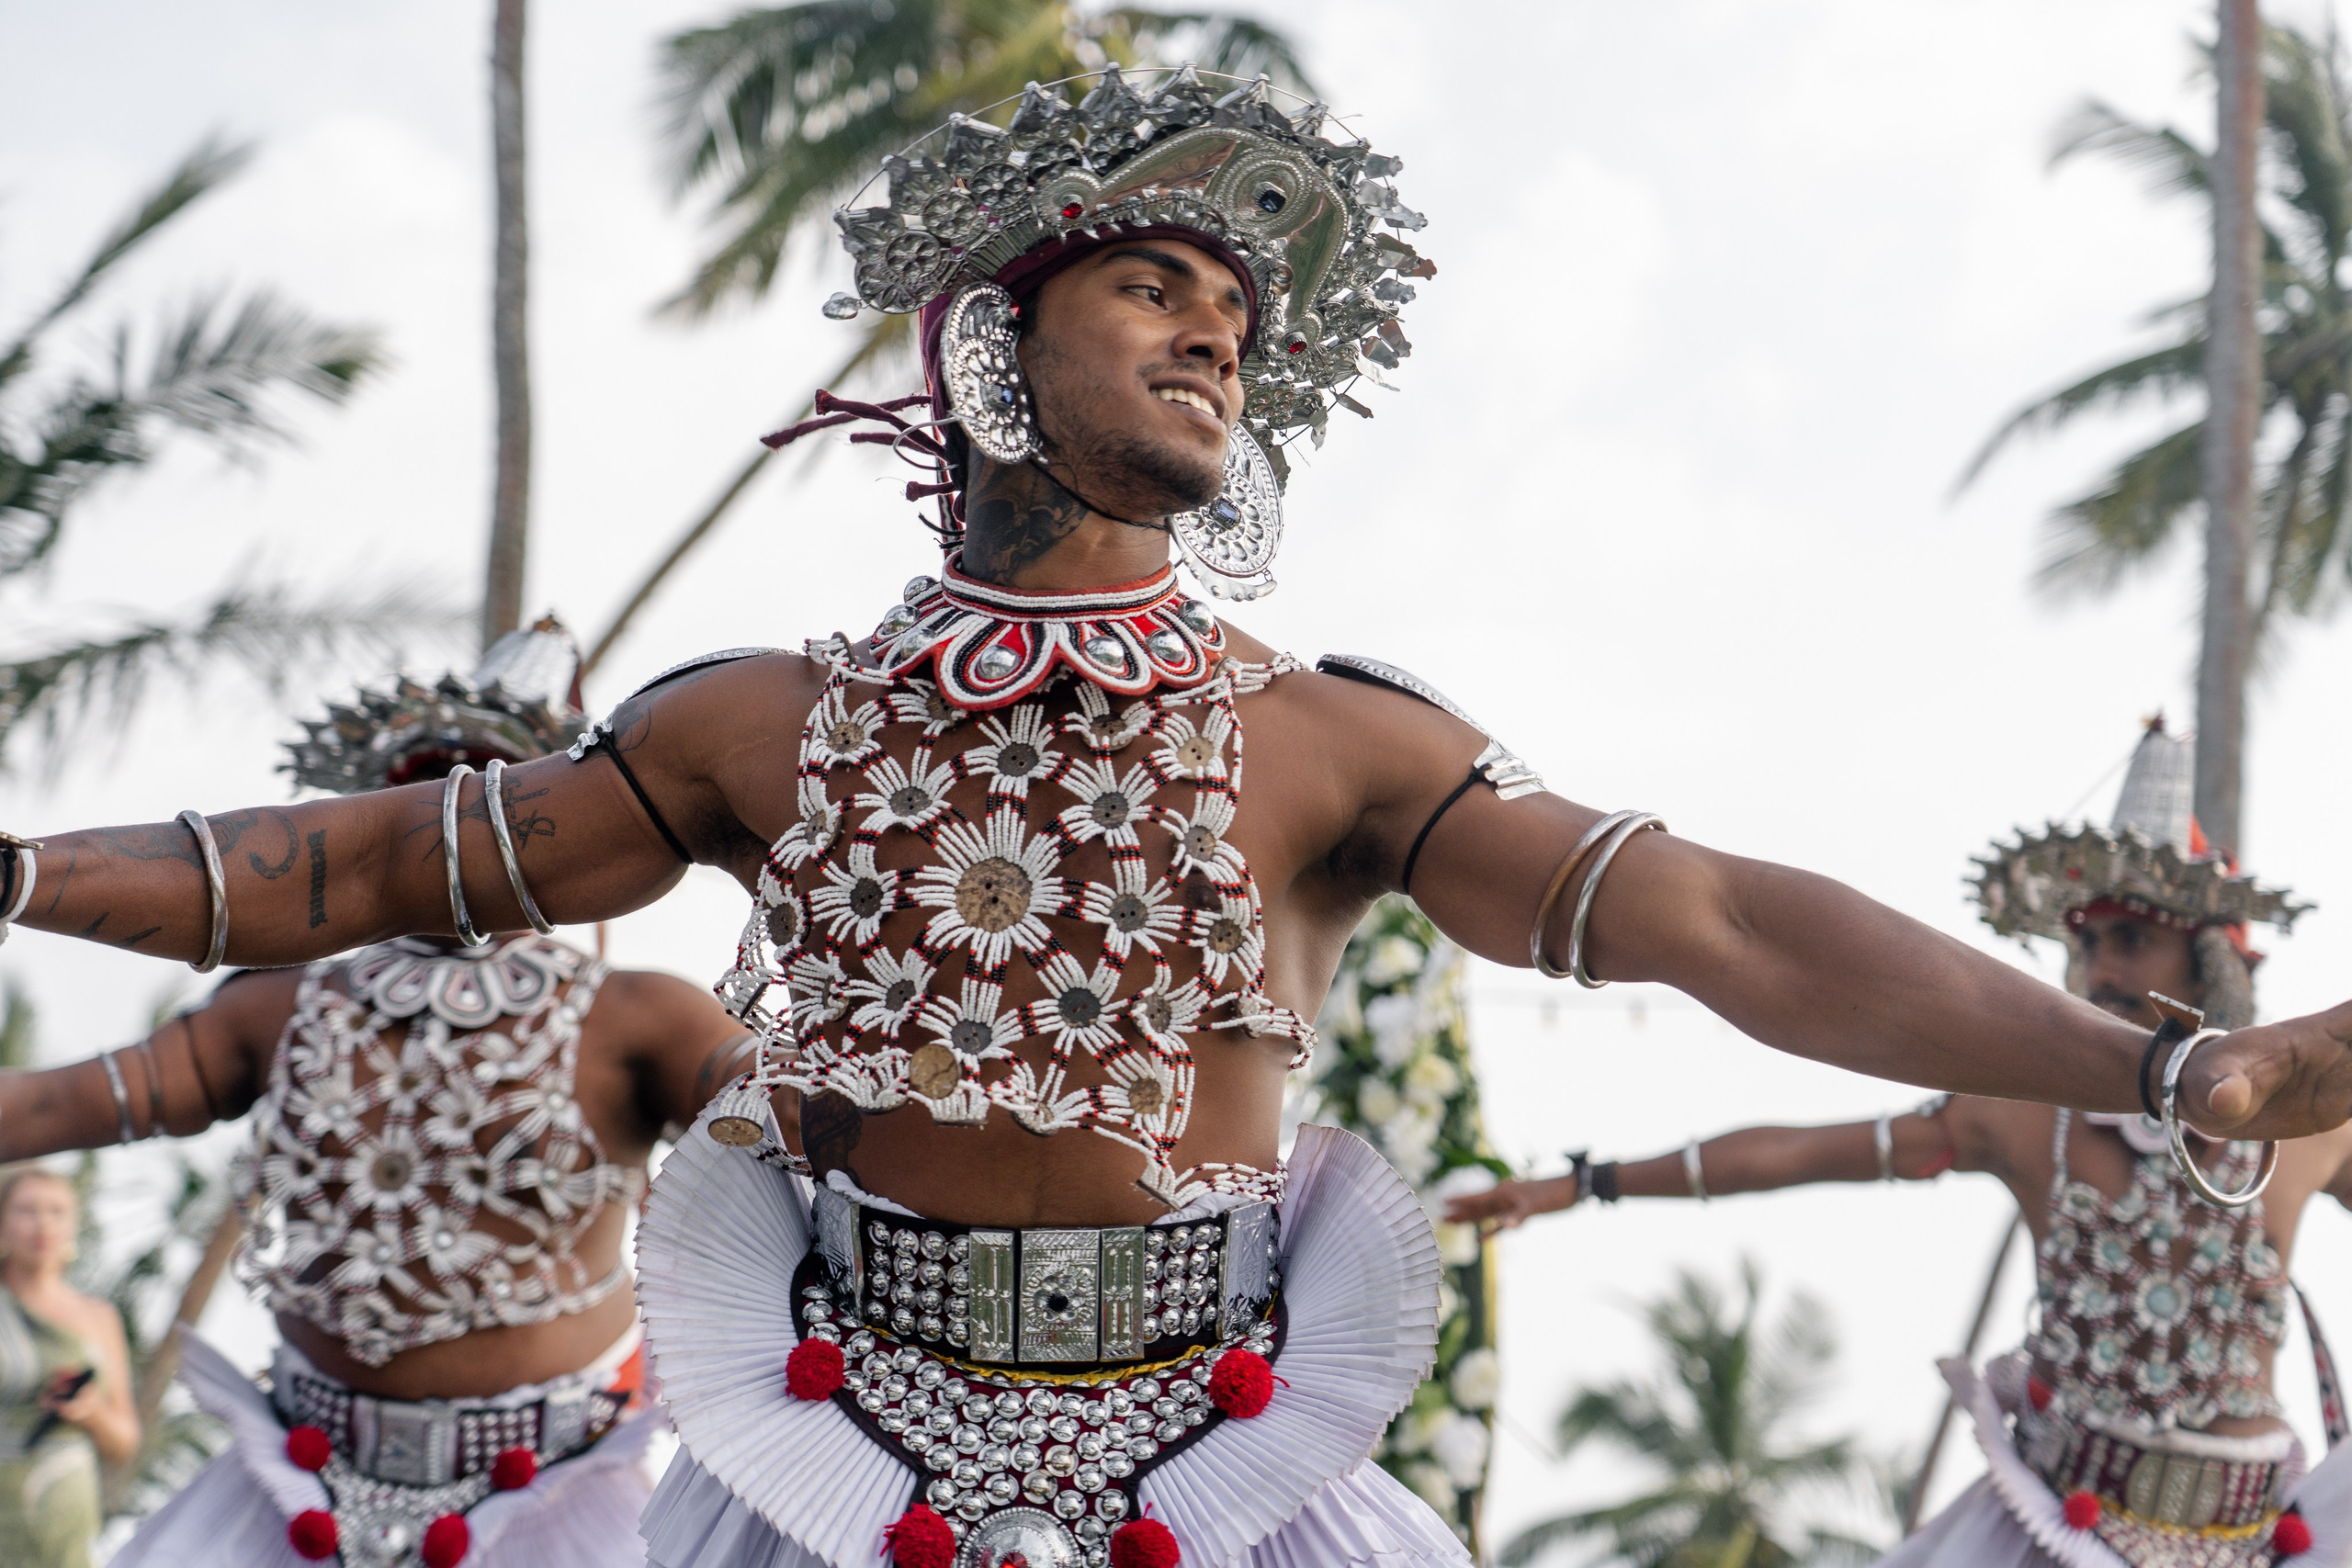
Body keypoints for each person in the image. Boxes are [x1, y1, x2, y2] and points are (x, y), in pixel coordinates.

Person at [3, 66, 2352, 1568]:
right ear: (996, 353)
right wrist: (19, 867)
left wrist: (2174, 1073)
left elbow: (1714, 920)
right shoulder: (756, 723)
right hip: (826, 1477)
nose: (1216, 330)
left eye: (1236, 307)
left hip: (1230, 1479)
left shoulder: (1325, 738)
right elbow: (341, 876)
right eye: (1154, 284)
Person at [1447, 719, 2352, 1566]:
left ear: (2204, 959)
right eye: (2086, 943)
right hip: (2054, 1519)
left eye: (2131, 939)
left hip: (2259, 1533)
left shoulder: (2311, 1128)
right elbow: (1799, 1155)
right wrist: (1585, 1183)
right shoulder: (2021, 1117)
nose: (2101, 967)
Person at [0, 621, 758, 1568]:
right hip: (286, 1492)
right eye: (416, 795)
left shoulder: (642, 1019)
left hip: (553, 1504)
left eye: (490, 797)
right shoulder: (275, 1010)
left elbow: (812, 1125)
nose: (444, 830)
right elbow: (48, 1108)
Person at [0, 1166, 136, 1568]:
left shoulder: (98, 1318)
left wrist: (91, 1414)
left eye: (56, 1211)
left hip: (65, 1525)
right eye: (27, 1210)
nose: (42, 1223)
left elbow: (124, 1441)